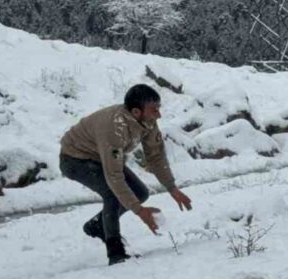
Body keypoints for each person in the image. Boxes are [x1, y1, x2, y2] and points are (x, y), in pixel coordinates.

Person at [59, 84, 192, 265]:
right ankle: (116, 254)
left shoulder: (148, 121)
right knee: (113, 194)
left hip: (100, 155)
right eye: (154, 110)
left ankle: (98, 225)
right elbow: (114, 177)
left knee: (140, 193)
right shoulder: (114, 127)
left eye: (158, 109)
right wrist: (140, 211)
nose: (159, 115)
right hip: (75, 159)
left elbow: (156, 157)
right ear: (136, 112)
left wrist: (172, 188)